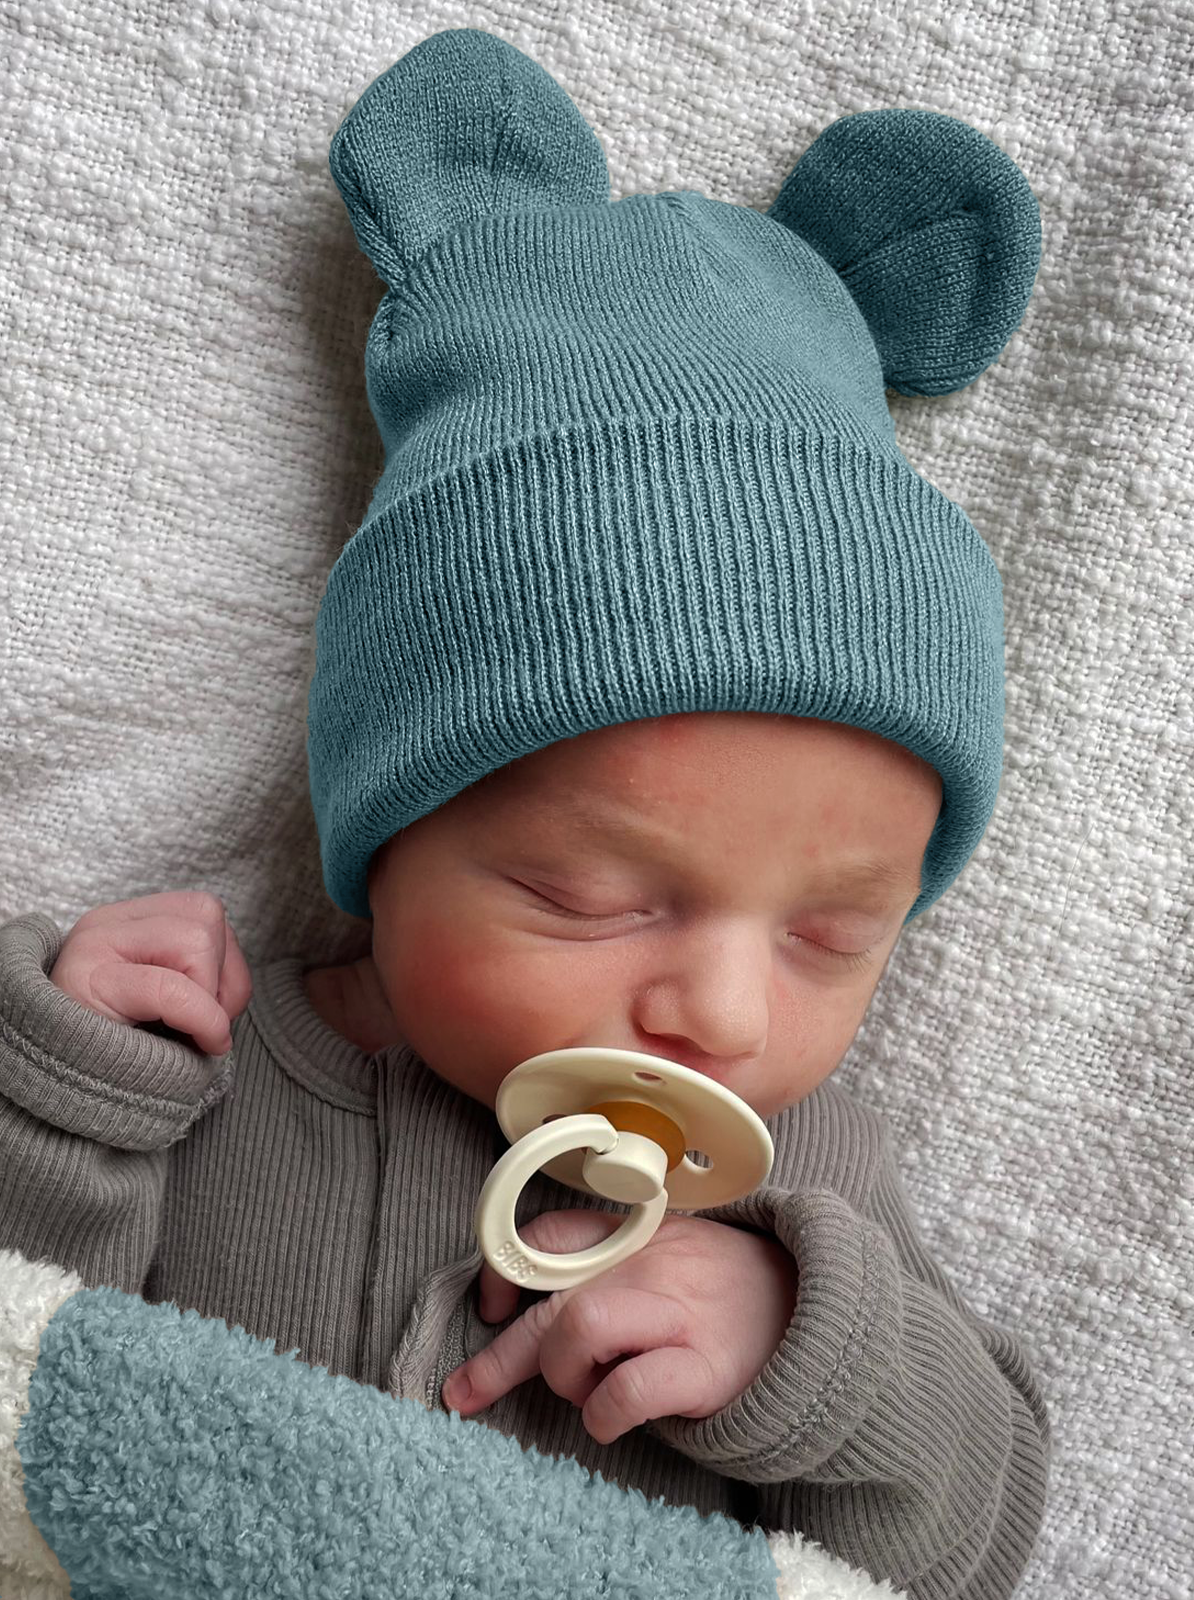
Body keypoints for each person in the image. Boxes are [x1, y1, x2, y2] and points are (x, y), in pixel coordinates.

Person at [0, 26, 1050, 1600]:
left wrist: (808, 1353)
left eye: (834, 934)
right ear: (389, 823)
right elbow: (26, 1394)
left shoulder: (804, 1182)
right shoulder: (202, 1084)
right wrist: (60, 1104)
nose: (719, 1005)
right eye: (593, 894)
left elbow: (976, 1543)